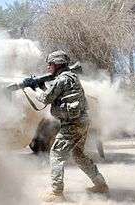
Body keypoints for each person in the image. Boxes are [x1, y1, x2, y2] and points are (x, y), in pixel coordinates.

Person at [34, 50, 109, 202]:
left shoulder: (62, 79)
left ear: (57, 64)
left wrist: (35, 88)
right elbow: (54, 94)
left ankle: (57, 193)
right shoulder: (71, 77)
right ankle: (100, 184)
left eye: (50, 64)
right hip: (82, 121)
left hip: (72, 124)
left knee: (56, 154)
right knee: (79, 155)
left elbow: (46, 98)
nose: (48, 67)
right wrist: (42, 86)